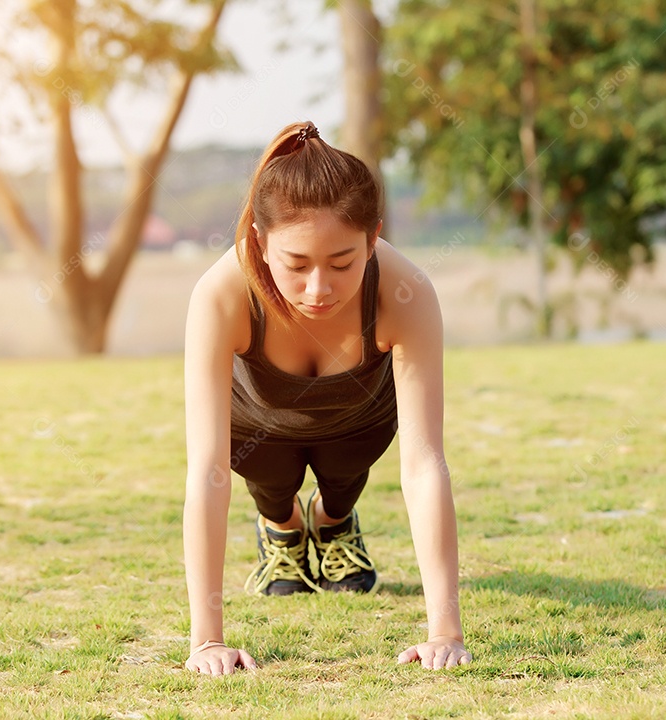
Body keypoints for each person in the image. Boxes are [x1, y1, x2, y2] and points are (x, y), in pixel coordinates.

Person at [182, 121, 470, 676]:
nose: (320, 289)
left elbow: (424, 461)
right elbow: (207, 471)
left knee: (344, 473)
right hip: (256, 428)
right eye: (296, 265)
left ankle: (333, 521)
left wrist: (445, 631)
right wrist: (206, 642)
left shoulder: (404, 291)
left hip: (357, 422)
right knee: (270, 479)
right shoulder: (221, 293)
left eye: (343, 263)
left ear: (373, 237)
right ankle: (285, 529)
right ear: (261, 243)